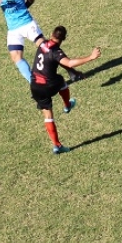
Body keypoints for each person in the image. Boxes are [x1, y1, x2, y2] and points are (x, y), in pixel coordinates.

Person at [30, 26, 101, 154]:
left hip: (35, 85)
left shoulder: (42, 43)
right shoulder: (56, 52)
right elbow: (69, 63)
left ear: (51, 34)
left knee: (48, 116)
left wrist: (74, 72)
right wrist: (91, 57)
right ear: (64, 39)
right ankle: (67, 105)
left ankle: (57, 145)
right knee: (61, 81)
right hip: (48, 85)